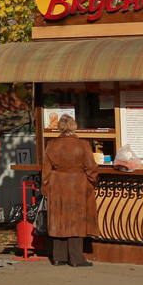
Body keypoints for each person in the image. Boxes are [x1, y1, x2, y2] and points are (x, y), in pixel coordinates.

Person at [41, 114, 100, 267]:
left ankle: (58, 258)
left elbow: (46, 170)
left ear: (60, 127)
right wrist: (93, 182)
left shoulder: (51, 144)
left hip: (57, 184)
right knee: (76, 220)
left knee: (58, 220)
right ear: (74, 127)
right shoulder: (83, 144)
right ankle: (76, 259)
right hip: (78, 185)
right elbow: (91, 167)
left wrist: (45, 188)